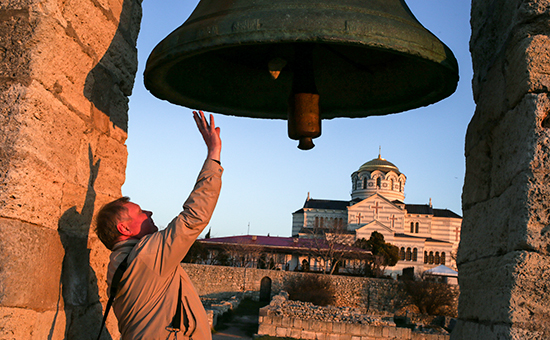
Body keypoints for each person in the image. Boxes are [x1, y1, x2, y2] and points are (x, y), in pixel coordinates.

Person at [94, 110, 222, 340]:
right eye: (140, 212)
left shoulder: (118, 263)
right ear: (124, 229)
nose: (149, 212)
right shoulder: (146, 256)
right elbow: (194, 217)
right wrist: (213, 154)